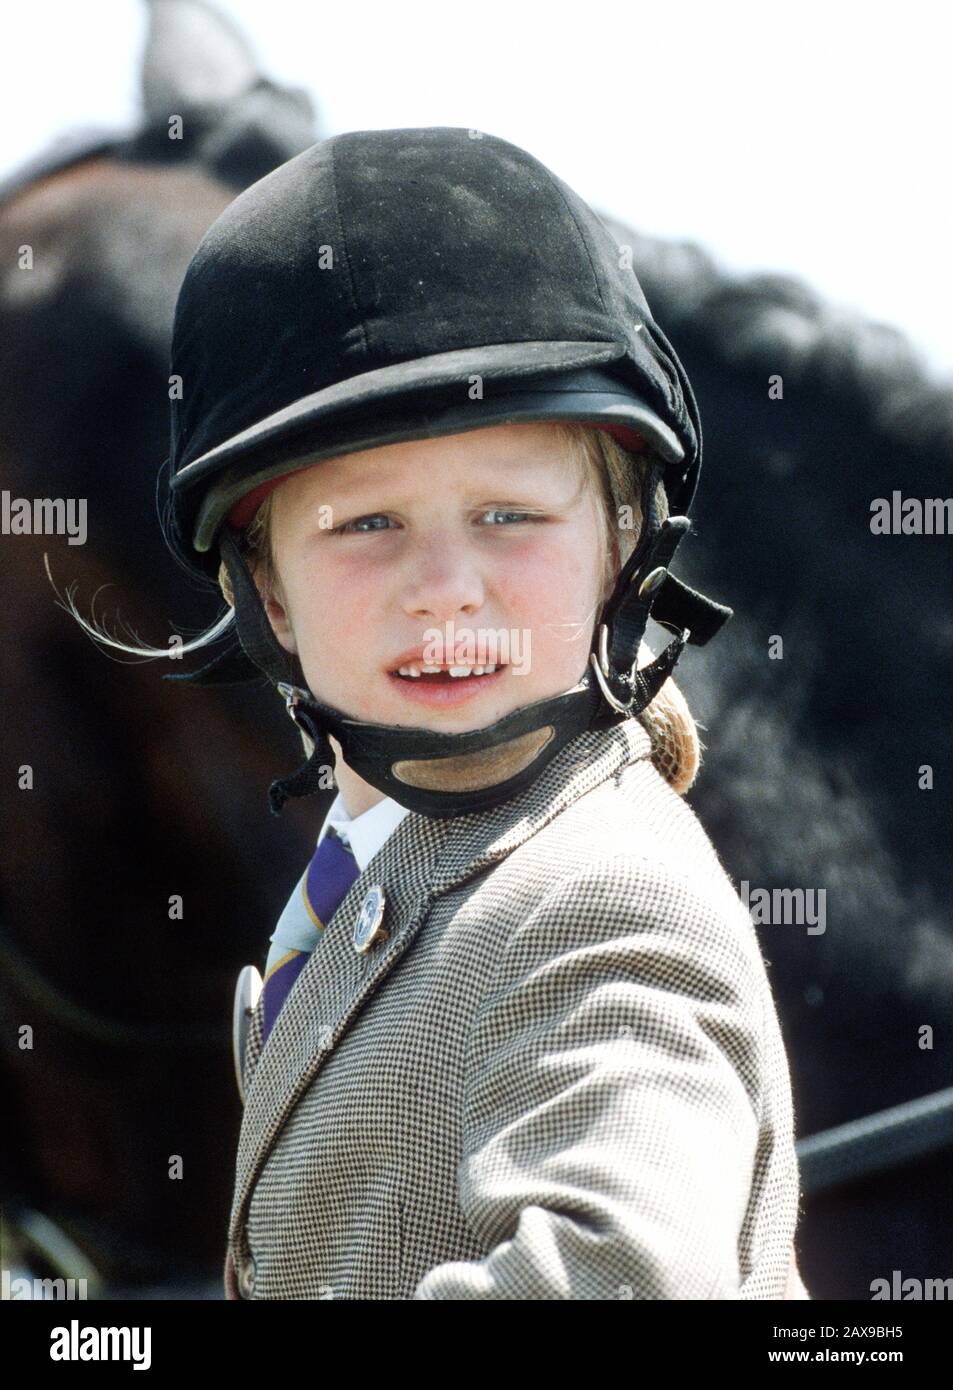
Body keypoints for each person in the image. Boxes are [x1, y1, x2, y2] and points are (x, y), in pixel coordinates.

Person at [67, 126, 809, 1299]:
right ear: (267, 590)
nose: (447, 585)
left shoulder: (600, 898)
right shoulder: (376, 871)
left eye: (510, 514)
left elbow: (627, 1279)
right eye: (366, 524)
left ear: (622, 540)